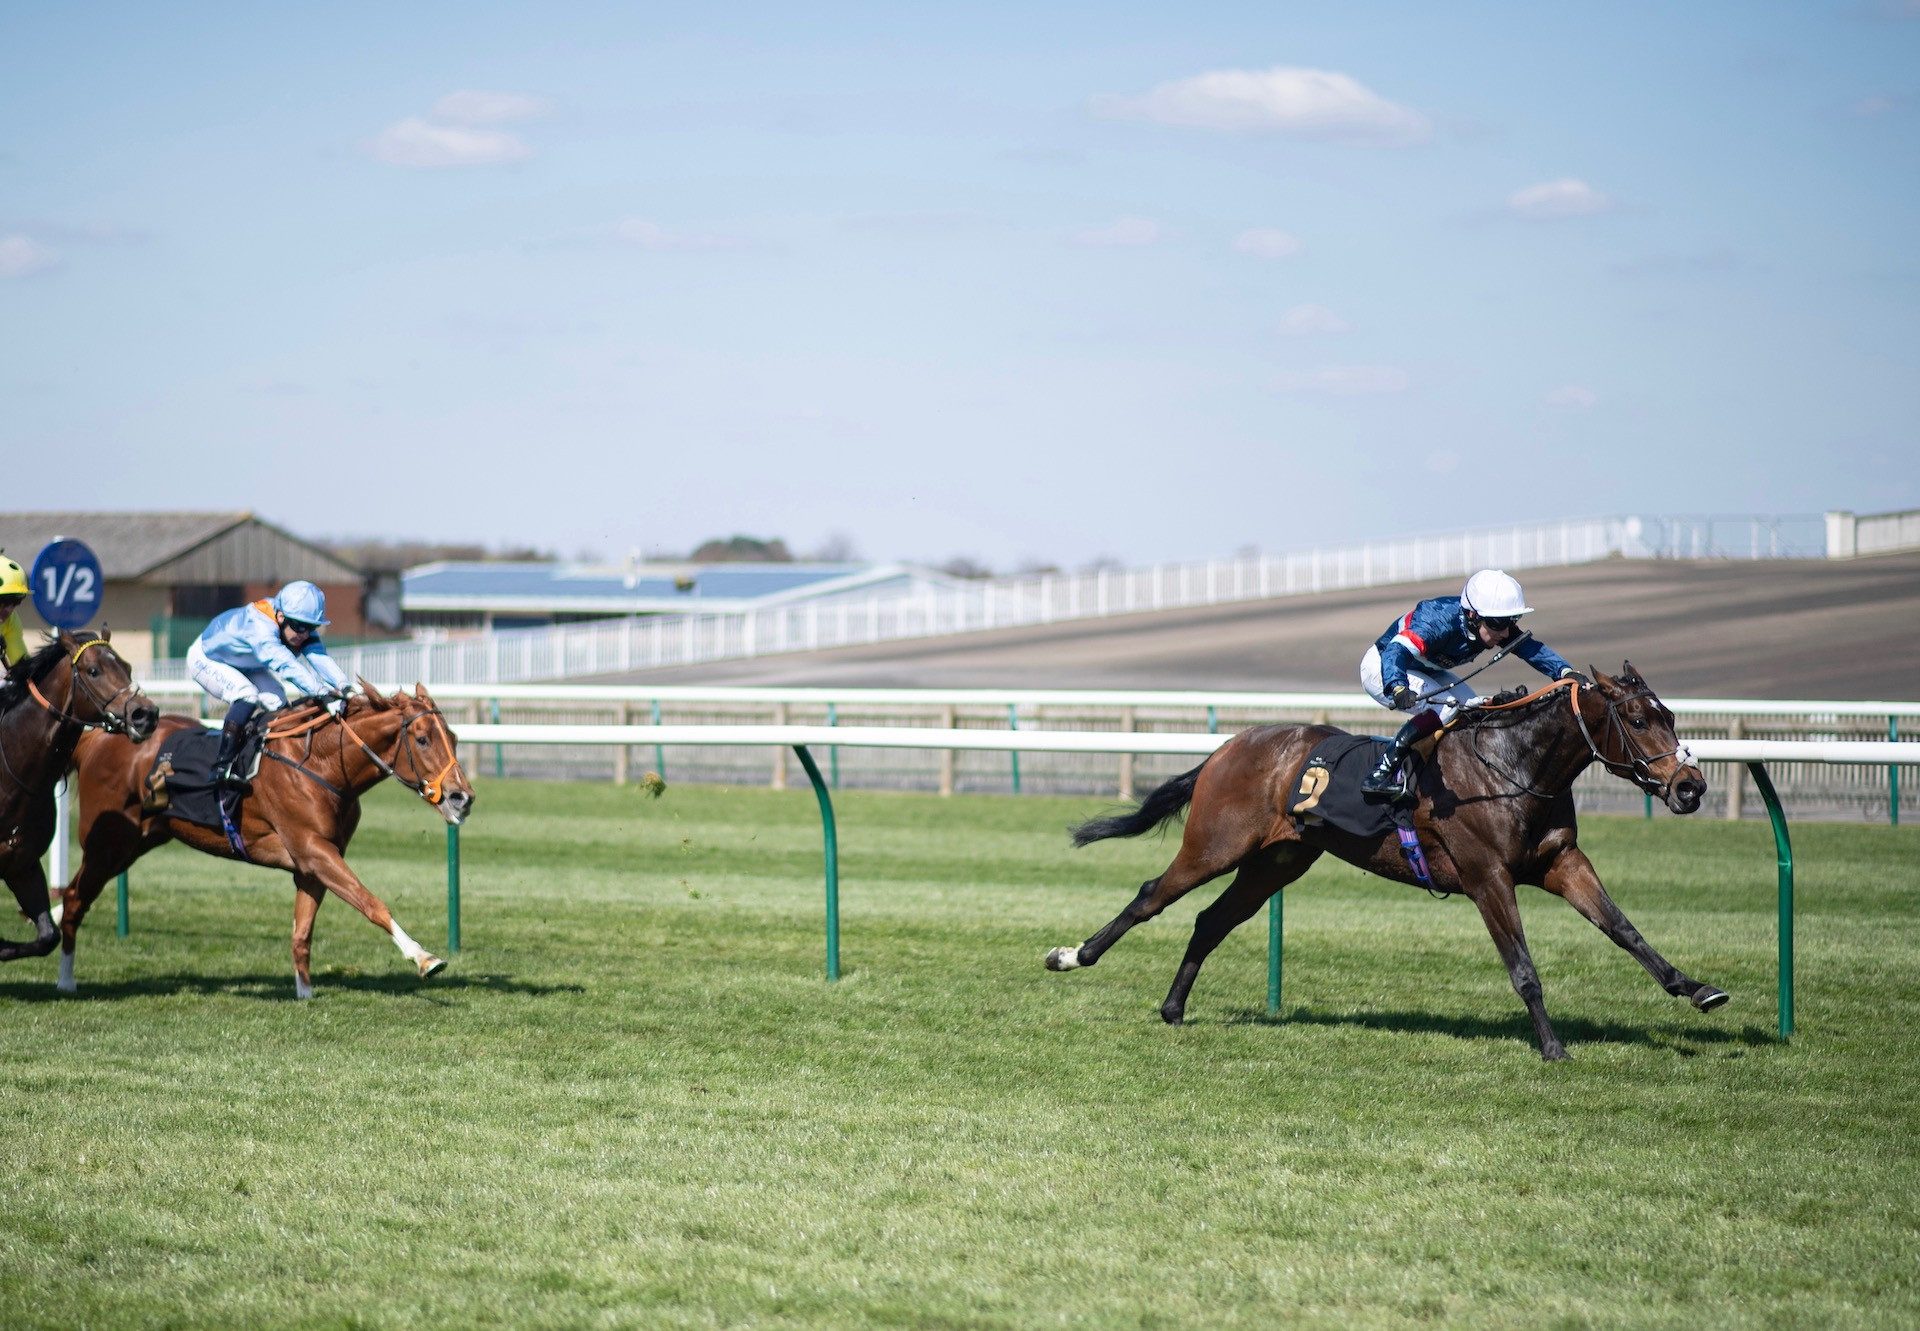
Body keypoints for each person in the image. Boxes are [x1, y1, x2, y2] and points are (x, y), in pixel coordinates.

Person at [1358, 569, 1587, 802]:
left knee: (1472, 708)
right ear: (1472, 615)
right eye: (1499, 623)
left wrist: (1564, 671)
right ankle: (1380, 775)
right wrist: (1397, 686)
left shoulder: (1489, 622)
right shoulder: (1436, 621)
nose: (1506, 631)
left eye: (1512, 621)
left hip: (1423, 669)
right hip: (1382, 667)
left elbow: (1529, 648)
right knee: (1445, 709)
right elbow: (1396, 651)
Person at [187, 581, 352, 792]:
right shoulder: (260, 627)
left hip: (247, 662)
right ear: (281, 617)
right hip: (207, 658)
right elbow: (286, 665)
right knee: (246, 695)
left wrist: (345, 686)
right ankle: (222, 767)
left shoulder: (292, 620)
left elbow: (319, 657)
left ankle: (265, 764)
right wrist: (322, 693)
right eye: (300, 626)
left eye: (311, 627)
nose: (304, 633)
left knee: (278, 702)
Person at [0, 555, 27, 674]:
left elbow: (22, 667)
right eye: (4, 601)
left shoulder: (11, 621)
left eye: (16, 602)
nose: (9, 609)